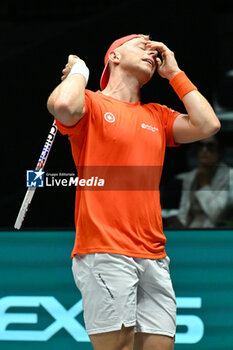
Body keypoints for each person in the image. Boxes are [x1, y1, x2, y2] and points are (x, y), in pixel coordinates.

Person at [47, 34, 220, 350]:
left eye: (154, 50)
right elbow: (62, 105)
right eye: (141, 44)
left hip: (153, 254)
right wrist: (80, 71)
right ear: (113, 57)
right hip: (105, 249)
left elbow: (208, 125)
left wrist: (175, 74)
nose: (151, 51)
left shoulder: (157, 115)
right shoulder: (92, 104)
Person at [164, 135, 231, 228]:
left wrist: (204, 185)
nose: (204, 150)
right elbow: (184, 213)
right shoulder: (190, 177)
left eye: (210, 146)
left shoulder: (229, 175)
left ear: (219, 152)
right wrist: (177, 223)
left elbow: (217, 215)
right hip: (190, 231)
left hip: (216, 233)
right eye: (200, 146)